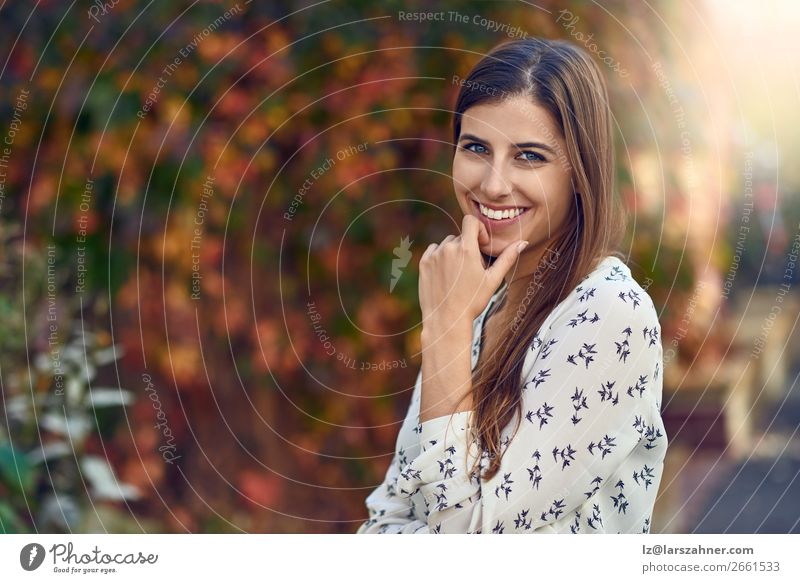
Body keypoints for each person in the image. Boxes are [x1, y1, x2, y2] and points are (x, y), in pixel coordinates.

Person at [356, 37, 667, 534]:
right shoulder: (476, 300)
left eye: (529, 157)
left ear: (580, 171)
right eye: (476, 148)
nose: (494, 184)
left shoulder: (610, 313)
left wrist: (446, 327)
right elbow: (387, 514)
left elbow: (469, 540)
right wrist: (451, 323)